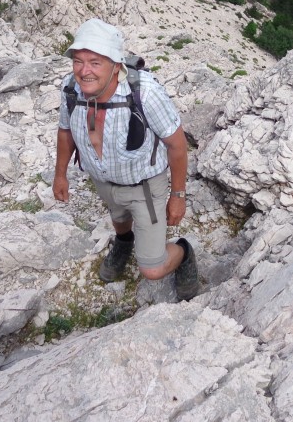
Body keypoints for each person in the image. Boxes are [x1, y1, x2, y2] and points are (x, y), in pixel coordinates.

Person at [52, 18, 199, 301]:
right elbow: (65, 130)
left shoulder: (144, 93)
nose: (84, 71)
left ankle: (184, 252)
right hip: (103, 180)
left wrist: (178, 195)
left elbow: (177, 145)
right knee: (118, 218)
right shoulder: (70, 89)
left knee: (152, 269)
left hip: (144, 186)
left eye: (95, 62)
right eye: (78, 61)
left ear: (116, 65)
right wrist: (61, 174)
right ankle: (123, 241)